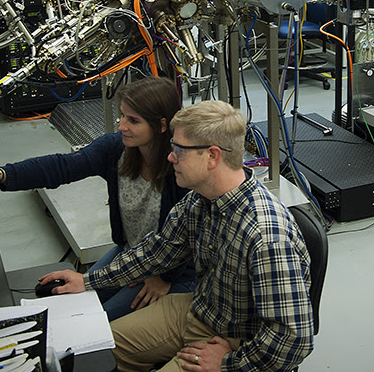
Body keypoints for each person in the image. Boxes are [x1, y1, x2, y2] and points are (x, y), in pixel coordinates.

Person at [40, 99, 314, 372]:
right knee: (97, 351)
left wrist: (227, 364)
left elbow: (293, 339)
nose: (170, 157)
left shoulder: (266, 235)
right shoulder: (200, 200)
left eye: (178, 150)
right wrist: (88, 281)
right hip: (199, 310)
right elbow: (156, 253)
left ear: (212, 156)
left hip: (237, 341)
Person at [0, 76, 195, 321]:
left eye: (133, 120)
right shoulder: (116, 149)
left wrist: (164, 277)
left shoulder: (181, 170)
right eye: (122, 116)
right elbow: (62, 167)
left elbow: (189, 237)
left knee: (99, 320)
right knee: (72, 303)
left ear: (162, 125)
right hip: (129, 253)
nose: (121, 126)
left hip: (170, 271)